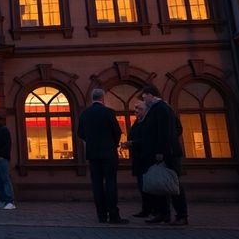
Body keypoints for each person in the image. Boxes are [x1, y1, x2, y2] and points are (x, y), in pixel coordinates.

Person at [135, 84, 188, 226]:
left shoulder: (162, 109)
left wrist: (160, 151)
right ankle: (162, 213)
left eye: (144, 96)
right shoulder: (155, 109)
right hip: (159, 152)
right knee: (158, 183)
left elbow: (164, 132)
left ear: (151, 94)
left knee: (173, 183)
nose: (143, 98)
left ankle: (181, 215)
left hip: (166, 153)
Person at [77, 88, 127, 224]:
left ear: (92, 99)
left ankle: (101, 215)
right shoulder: (108, 112)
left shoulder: (84, 114)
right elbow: (117, 131)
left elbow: (80, 133)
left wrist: (91, 141)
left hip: (93, 154)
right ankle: (114, 214)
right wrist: (113, 144)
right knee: (110, 183)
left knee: (97, 184)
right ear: (102, 98)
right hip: (108, 152)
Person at [126, 100, 152, 218]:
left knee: (149, 185)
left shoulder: (147, 122)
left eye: (139, 108)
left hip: (147, 158)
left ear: (146, 110)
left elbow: (148, 139)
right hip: (138, 158)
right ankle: (146, 209)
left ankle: (154, 209)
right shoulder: (137, 122)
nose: (136, 111)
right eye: (135, 108)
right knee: (142, 185)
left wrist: (132, 143)